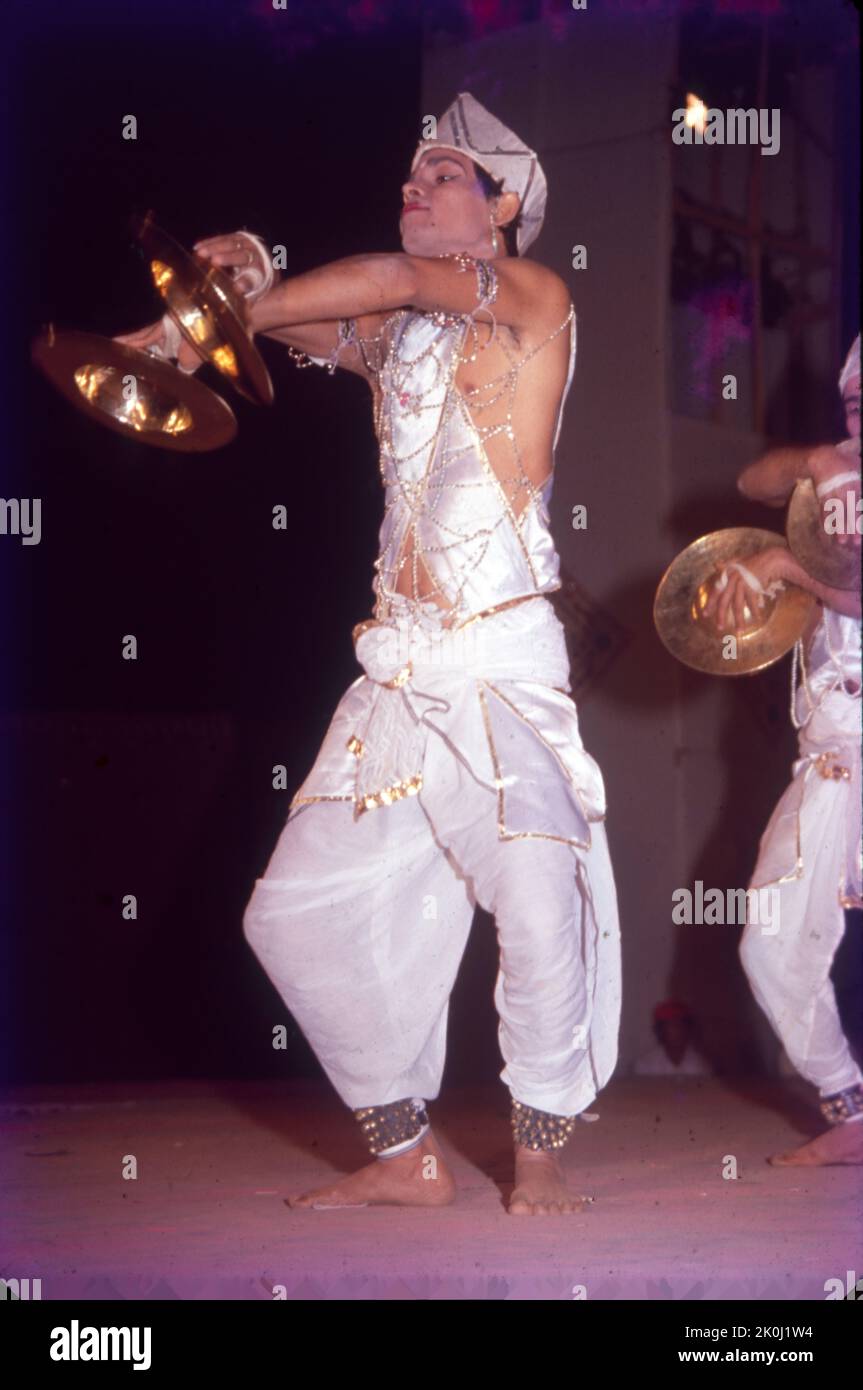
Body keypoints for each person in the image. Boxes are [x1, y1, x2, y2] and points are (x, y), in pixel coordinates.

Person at [117, 93, 622, 1215]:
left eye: (441, 174)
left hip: (499, 667)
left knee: (535, 887)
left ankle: (538, 1143)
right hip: (399, 673)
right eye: (409, 174)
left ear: (499, 208)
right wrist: (240, 277)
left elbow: (388, 279)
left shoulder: (537, 300)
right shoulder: (396, 341)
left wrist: (193, 322)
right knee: (284, 917)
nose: (413, 186)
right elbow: (288, 329)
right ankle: (405, 1153)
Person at [706, 334, 862, 1165]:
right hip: (834, 748)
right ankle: (850, 1112)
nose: (859, 411)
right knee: (767, 936)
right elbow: (748, 481)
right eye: (851, 399)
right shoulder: (838, 472)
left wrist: (784, 568)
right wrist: (816, 458)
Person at [632, 1001, 713, 1077]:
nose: (678, 1031)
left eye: (681, 1025)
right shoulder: (645, 1065)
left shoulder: (701, 1064)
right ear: (660, 1031)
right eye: (671, 1026)